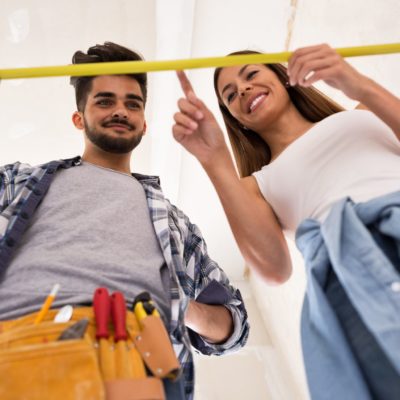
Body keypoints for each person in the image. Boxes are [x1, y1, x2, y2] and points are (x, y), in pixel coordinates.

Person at [0, 42, 249, 400]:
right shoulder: (17, 183)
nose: (120, 111)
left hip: (138, 365)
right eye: (104, 101)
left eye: (132, 103)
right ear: (78, 118)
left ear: (144, 123)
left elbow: (235, 327)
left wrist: (179, 308)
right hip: (14, 351)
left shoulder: (176, 224)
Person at [172, 43, 400, 399]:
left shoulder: (362, 110)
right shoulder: (257, 185)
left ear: (284, 78)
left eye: (251, 74)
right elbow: (274, 270)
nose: (243, 89)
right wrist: (214, 160)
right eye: (230, 95)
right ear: (236, 120)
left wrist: (354, 82)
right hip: (347, 266)